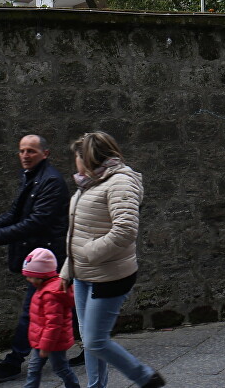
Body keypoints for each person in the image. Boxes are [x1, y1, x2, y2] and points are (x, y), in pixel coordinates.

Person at [60, 132, 164, 388]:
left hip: (110, 275)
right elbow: (80, 233)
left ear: (88, 157)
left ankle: (145, 377)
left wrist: (88, 254)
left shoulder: (120, 182)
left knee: (96, 340)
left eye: (77, 156)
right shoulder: (91, 182)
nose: (75, 161)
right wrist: (67, 270)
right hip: (84, 274)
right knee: (89, 340)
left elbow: (125, 229)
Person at [0, 134, 74, 384]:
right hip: (40, 258)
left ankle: (14, 361)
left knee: (34, 310)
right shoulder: (32, 178)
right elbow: (15, 213)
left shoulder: (51, 181)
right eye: (22, 151)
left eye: (31, 151)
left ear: (45, 154)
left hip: (48, 260)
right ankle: (92, 347)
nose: (25, 156)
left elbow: (37, 220)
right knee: (66, 305)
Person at [21, 248, 80, 388]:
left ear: (41, 276)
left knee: (60, 368)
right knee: (33, 369)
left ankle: (73, 386)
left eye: (30, 276)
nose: (28, 280)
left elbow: (54, 324)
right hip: (41, 340)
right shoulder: (43, 288)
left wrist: (46, 347)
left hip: (54, 343)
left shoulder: (51, 295)